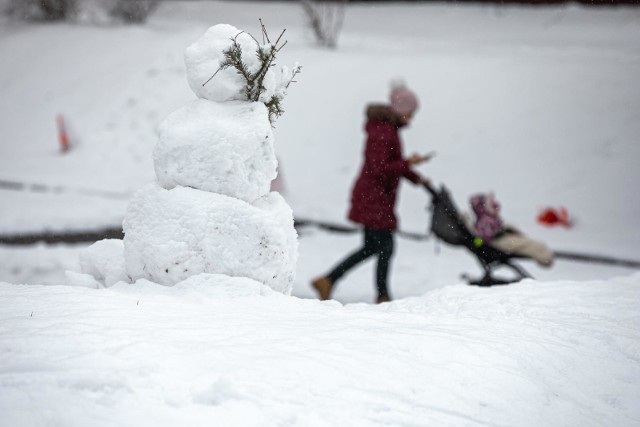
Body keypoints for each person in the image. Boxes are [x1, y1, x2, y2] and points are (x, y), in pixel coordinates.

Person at [311, 81, 432, 304]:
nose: (412, 119)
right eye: (411, 113)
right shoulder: (383, 132)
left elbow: (392, 164)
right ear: (401, 111)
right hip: (373, 198)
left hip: (377, 197)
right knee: (385, 246)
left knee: (373, 247)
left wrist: (417, 177)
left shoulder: (387, 129)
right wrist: (408, 163)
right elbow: (381, 168)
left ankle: (329, 280)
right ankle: (381, 295)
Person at [469, 193, 554, 267]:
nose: (496, 205)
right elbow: (482, 237)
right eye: (491, 203)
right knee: (526, 246)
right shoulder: (485, 221)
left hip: (503, 239)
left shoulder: (490, 218)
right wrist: (481, 244)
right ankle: (544, 258)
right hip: (499, 242)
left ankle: (544, 254)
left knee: (528, 244)